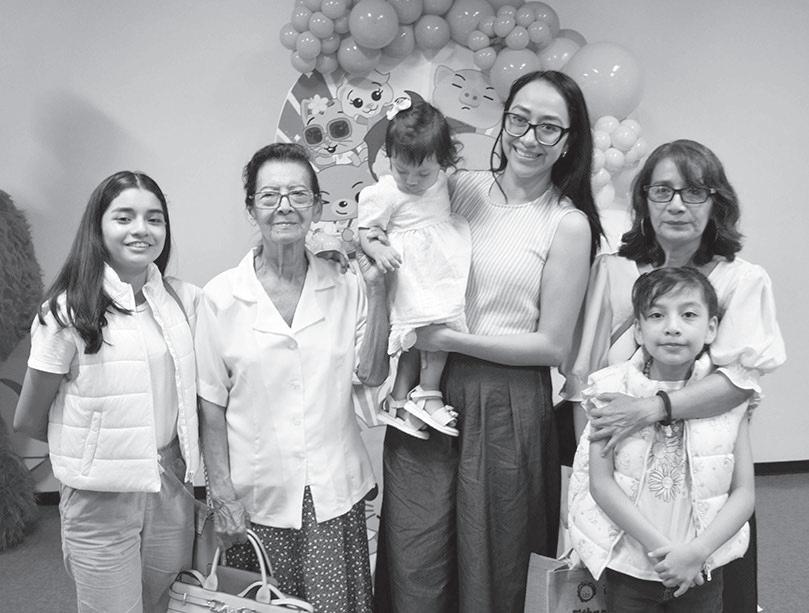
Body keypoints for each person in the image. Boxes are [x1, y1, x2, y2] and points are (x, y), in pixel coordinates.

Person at [373, 70, 605, 612]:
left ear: (569, 140)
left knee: (496, 558)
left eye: (548, 127)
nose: (529, 138)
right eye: (519, 120)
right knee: (415, 546)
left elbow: (552, 346)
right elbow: (387, 215)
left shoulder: (566, 224)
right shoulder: (456, 187)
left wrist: (451, 338)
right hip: (426, 394)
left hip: (507, 407)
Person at [562, 139, 786, 612]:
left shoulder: (741, 281)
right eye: (662, 190)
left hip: (707, 498)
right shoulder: (615, 272)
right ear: (643, 199)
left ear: (716, 202)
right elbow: (587, 379)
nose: (677, 204)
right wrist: (584, 502)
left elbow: (738, 385)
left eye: (694, 191)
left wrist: (650, 409)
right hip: (624, 499)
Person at [194, 143, 389, 613]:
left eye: (299, 194)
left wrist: (378, 291)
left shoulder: (346, 285)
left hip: (331, 492)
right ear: (251, 209)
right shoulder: (221, 297)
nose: (285, 206)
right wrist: (221, 494)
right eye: (270, 195)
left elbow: (373, 373)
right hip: (255, 496)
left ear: (317, 207)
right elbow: (210, 405)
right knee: (260, 603)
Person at [13, 171, 201, 613]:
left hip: (169, 484)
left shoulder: (181, 301)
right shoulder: (65, 311)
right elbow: (29, 418)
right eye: (124, 217)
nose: (142, 229)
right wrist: (92, 451)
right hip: (100, 497)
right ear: (98, 227)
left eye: (154, 218)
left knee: (165, 605)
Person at [569, 267, 754, 612]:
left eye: (688, 315)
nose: (672, 327)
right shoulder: (609, 389)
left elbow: (744, 492)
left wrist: (696, 553)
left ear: (711, 327)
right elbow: (601, 483)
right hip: (630, 568)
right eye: (656, 315)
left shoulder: (727, 397)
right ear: (638, 330)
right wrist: (665, 553)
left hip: (700, 569)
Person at [359, 97, 471, 439]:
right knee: (432, 329)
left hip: (440, 265)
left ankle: (399, 399)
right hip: (411, 271)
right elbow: (366, 231)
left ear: (442, 161)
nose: (411, 180)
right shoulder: (384, 192)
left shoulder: (443, 180)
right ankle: (428, 393)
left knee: (428, 331)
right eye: (401, 170)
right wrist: (378, 250)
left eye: (423, 173)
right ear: (389, 158)